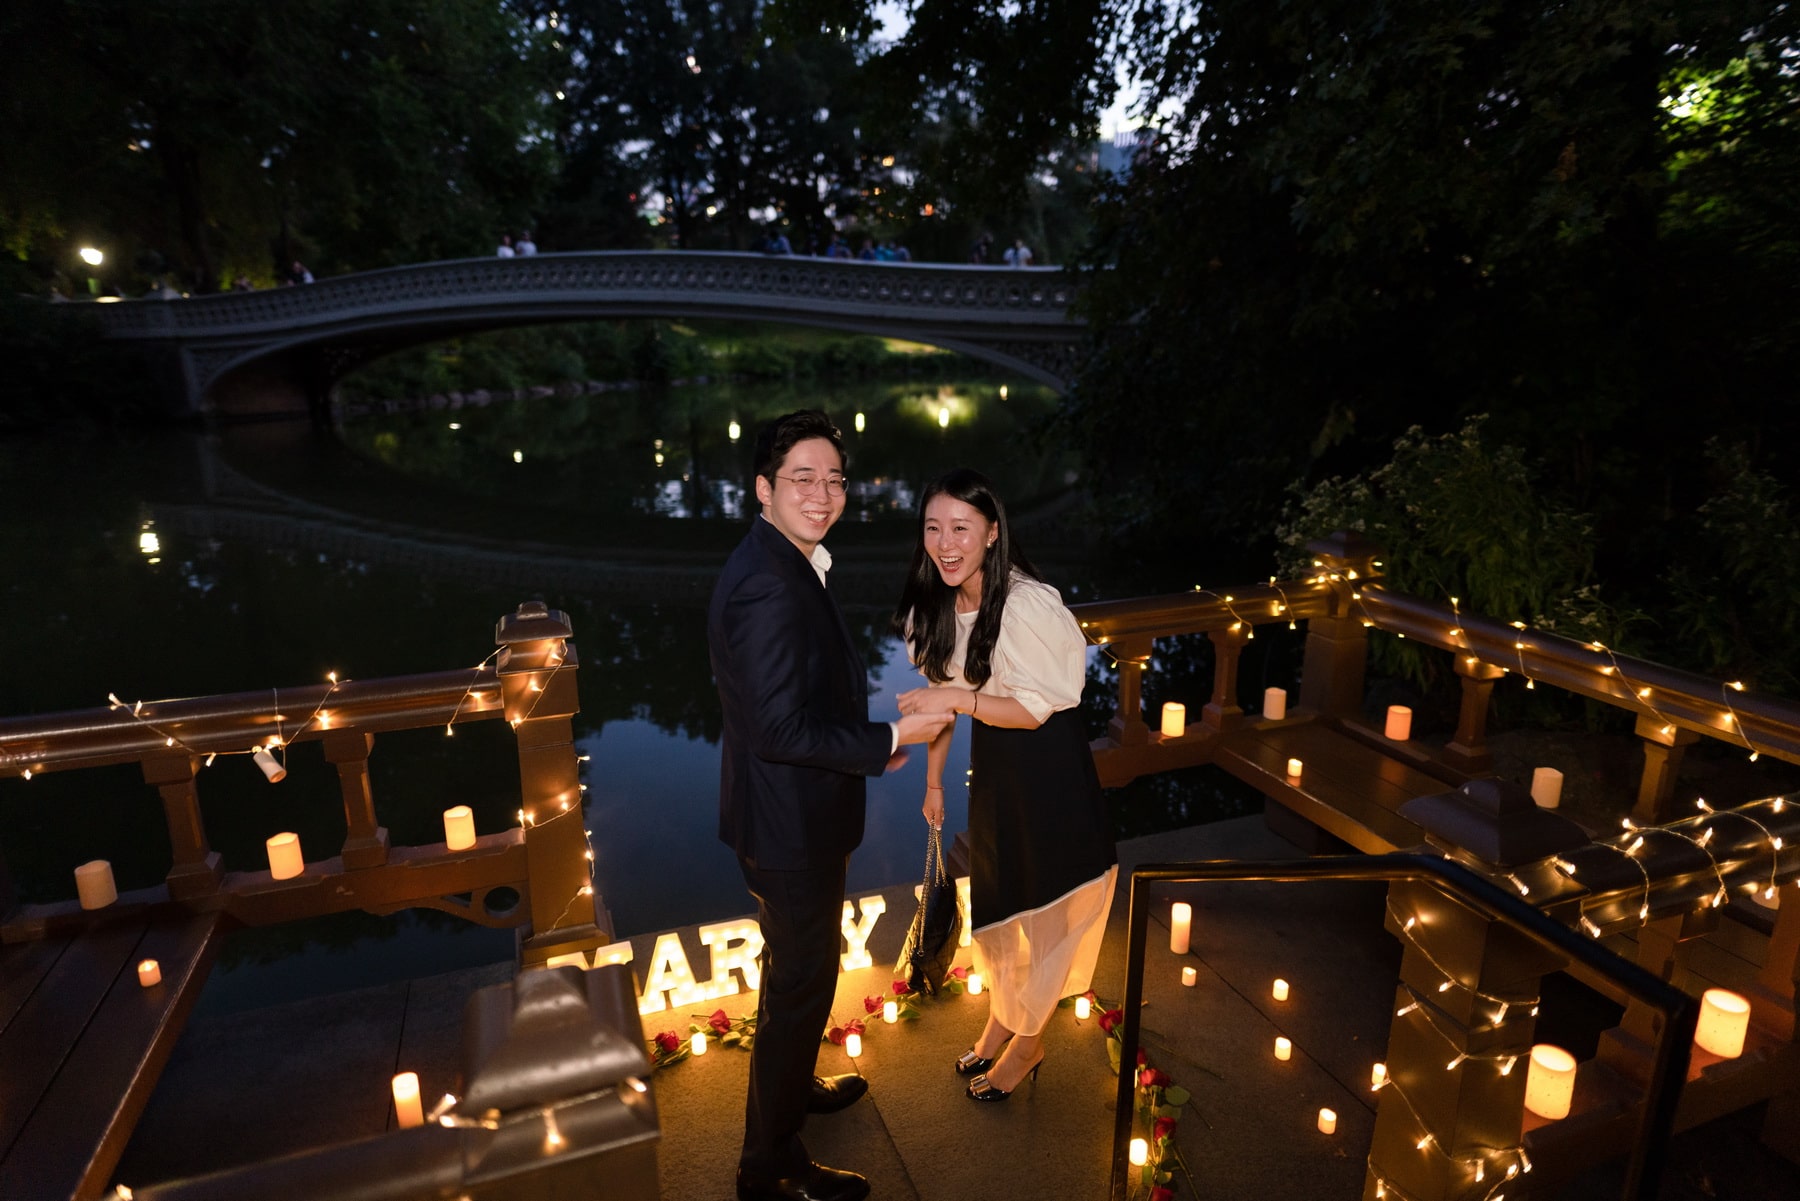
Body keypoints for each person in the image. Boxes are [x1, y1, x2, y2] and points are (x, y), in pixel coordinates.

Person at [709, 411, 953, 1201]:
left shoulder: (785, 559)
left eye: (834, 479)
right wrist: (890, 733)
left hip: (790, 813)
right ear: (762, 488)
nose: (823, 494)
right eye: (801, 479)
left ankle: (795, 1084)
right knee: (800, 984)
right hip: (788, 826)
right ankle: (768, 1163)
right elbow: (778, 727)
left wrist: (874, 728)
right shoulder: (766, 585)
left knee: (799, 972)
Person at [893, 468, 1117, 1102]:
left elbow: (1031, 708)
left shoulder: (1025, 604)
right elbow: (943, 704)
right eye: (933, 528)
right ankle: (1003, 1017)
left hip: (1048, 771)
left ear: (992, 533)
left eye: (961, 527)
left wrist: (961, 699)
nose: (945, 542)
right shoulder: (935, 603)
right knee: (1002, 902)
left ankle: (1028, 1041)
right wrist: (934, 783)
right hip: (994, 772)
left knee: (1045, 909)